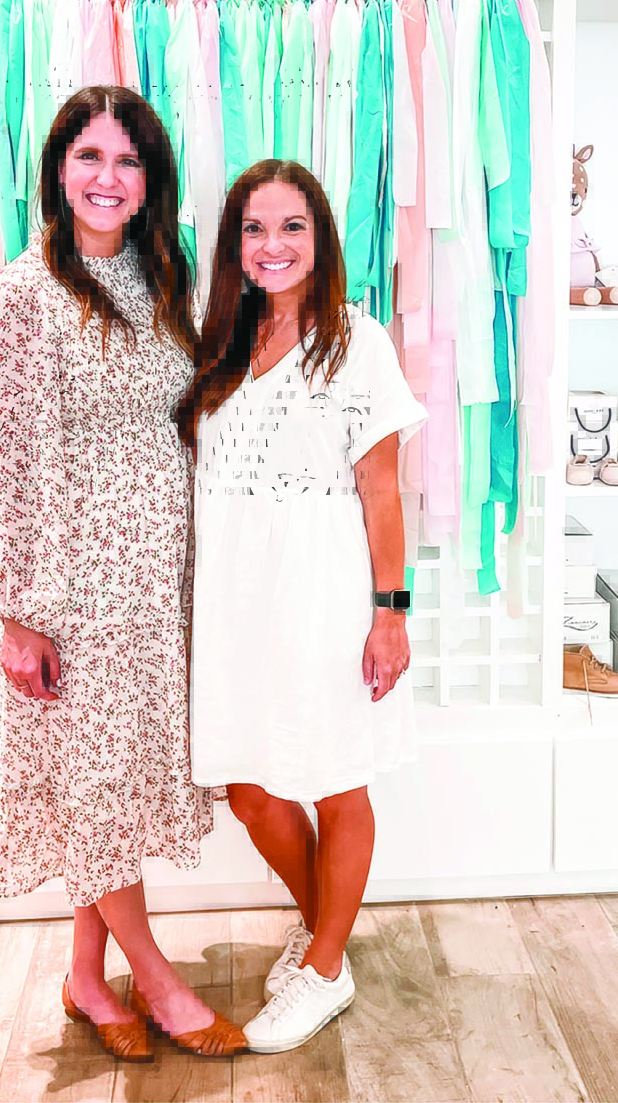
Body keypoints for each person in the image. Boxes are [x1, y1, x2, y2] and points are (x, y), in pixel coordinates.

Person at [0, 85, 247, 1060]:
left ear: (148, 179)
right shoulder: (21, 296)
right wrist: (15, 612)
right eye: (88, 156)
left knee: (118, 778)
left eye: (127, 161)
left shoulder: (157, 275)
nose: (107, 178)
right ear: (56, 170)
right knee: (93, 781)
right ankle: (158, 980)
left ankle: (88, 976)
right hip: (73, 589)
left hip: (157, 585)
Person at [179, 159, 429, 1053]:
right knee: (251, 789)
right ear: (234, 245)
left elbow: (382, 489)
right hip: (233, 599)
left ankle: (322, 967)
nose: (272, 245)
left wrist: (391, 612)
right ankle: (326, 931)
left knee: (334, 780)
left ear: (320, 238)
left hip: (324, 593)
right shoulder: (217, 337)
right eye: (254, 228)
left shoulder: (357, 341)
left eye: (292, 226)